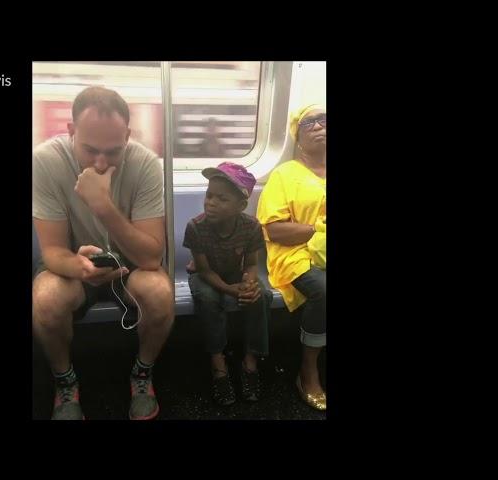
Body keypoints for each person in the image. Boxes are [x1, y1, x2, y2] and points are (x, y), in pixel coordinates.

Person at [32, 86, 174, 420]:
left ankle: (142, 373)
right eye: (90, 150)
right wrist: (79, 266)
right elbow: (52, 251)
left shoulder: (145, 164)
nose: (100, 162)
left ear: (127, 135)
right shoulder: (46, 162)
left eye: (113, 151)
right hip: (73, 264)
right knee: (46, 299)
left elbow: (151, 258)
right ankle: (65, 381)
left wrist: (103, 207)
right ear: (70, 132)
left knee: (159, 292)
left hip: (129, 266)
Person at [256, 104, 327, 411]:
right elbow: (275, 230)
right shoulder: (285, 174)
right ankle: (308, 372)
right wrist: (315, 231)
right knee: (323, 290)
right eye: (310, 122)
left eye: (324, 120)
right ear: (298, 138)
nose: (319, 125)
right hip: (295, 254)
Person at [183, 162, 272, 406]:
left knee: (260, 296)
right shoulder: (196, 227)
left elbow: (251, 265)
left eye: (221, 199)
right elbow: (204, 270)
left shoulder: (251, 226)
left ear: (241, 206)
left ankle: (250, 362)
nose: (211, 203)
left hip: (234, 274)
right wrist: (230, 290)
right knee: (209, 298)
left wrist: (248, 283)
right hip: (204, 276)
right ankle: (218, 363)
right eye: (209, 195)